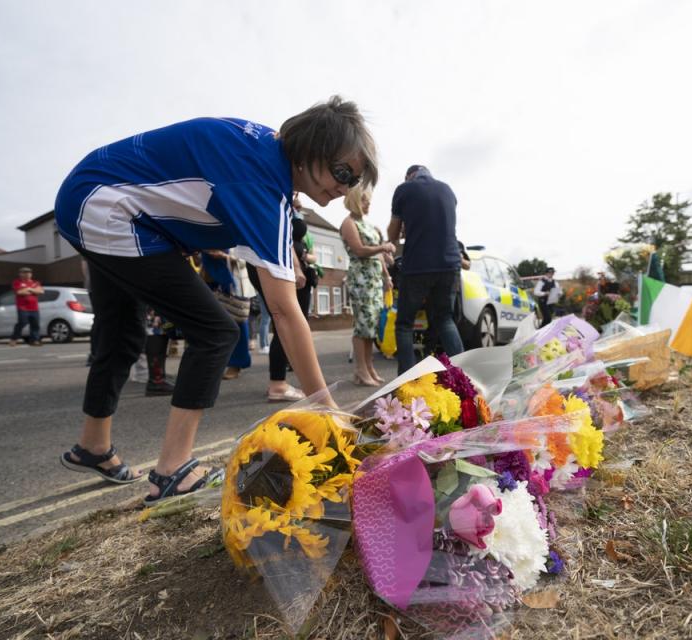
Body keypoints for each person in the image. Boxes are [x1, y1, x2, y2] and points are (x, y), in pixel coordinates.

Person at [54, 96, 377, 504]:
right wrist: (326, 408)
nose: (344, 187)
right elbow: (283, 310)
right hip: (108, 211)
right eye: (342, 171)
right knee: (216, 331)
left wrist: (286, 255)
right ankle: (173, 470)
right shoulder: (261, 182)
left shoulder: (264, 156)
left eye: (354, 180)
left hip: (89, 198)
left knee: (121, 333)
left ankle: (93, 446)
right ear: (312, 148)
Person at [387, 165, 464, 375]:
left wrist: (406, 228)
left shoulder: (404, 189)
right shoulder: (447, 190)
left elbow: (393, 234)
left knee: (404, 324)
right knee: (445, 319)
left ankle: (408, 380)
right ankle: (464, 375)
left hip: (418, 265)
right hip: (450, 264)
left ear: (409, 176)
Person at [245, 200, 313, 402]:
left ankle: (283, 383)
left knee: (285, 322)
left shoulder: (285, 200)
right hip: (279, 264)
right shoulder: (275, 194)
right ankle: (280, 384)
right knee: (286, 322)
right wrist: (297, 267)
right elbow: (282, 237)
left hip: (277, 263)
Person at [340, 186, 395, 385]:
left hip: (373, 279)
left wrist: (386, 276)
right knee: (362, 325)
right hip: (360, 279)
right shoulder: (348, 223)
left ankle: (369, 367)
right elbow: (360, 250)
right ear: (355, 200)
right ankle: (360, 369)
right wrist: (383, 246)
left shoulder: (369, 225)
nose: (368, 204)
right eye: (365, 201)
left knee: (371, 325)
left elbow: (378, 256)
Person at [201, 248, 252, 380]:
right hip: (208, 275)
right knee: (209, 326)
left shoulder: (238, 231)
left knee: (237, 322)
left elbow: (247, 259)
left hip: (232, 281)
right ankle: (212, 364)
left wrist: (224, 256)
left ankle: (236, 364)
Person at [9, 267, 44, 346]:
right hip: (22, 307)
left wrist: (29, 289)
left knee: (35, 324)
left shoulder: (35, 282)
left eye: (29, 272)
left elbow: (41, 291)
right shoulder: (17, 282)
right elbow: (19, 292)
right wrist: (33, 291)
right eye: (24, 272)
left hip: (34, 308)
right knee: (23, 322)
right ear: (20, 274)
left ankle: (34, 340)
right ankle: (14, 338)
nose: (27, 274)